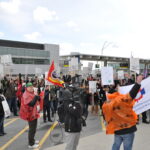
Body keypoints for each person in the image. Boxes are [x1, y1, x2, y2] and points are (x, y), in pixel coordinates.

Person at [102, 75, 143, 150]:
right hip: (128, 129)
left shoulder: (106, 105)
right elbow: (132, 94)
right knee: (127, 148)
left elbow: (105, 117)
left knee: (116, 146)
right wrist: (138, 83)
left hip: (117, 130)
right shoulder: (120, 101)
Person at [20, 82, 40, 149]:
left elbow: (36, 100)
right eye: (30, 87)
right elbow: (30, 104)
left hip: (34, 113)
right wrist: (36, 97)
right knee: (32, 129)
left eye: (32, 87)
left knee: (34, 129)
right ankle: (31, 144)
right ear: (27, 88)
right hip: (30, 114)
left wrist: (37, 97)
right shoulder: (26, 94)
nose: (31, 88)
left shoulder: (32, 93)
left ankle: (33, 140)